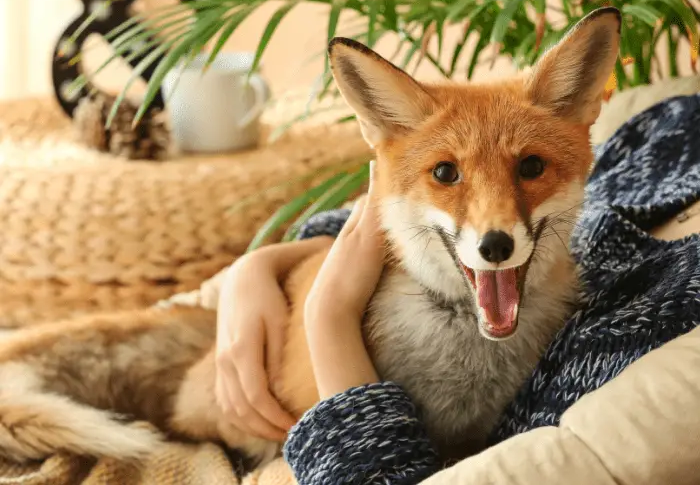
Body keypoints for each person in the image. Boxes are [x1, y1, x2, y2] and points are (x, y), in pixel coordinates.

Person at [215, 93, 700, 484]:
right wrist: (260, 266)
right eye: (449, 172)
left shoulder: (662, 305)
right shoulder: (676, 127)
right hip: (270, 317)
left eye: (528, 168)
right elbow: (392, 207)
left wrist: (328, 314)